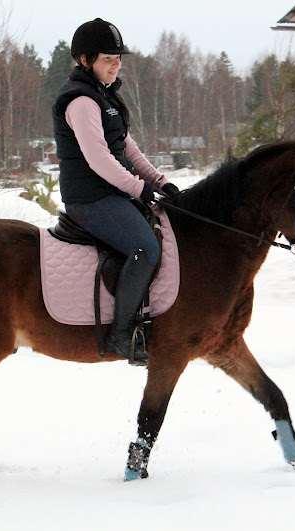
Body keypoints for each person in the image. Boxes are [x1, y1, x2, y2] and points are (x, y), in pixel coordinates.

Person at [52, 18, 180, 366]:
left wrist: (159, 181)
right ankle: (121, 335)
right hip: (90, 198)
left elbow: (127, 150)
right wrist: (140, 189)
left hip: (111, 193)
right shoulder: (81, 101)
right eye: (108, 59)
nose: (116, 65)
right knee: (146, 247)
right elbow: (99, 160)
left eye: (118, 59)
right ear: (85, 60)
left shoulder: (105, 96)